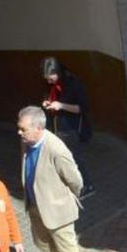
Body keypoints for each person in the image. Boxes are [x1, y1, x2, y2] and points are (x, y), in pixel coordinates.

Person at [17, 106, 85, 252]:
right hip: (35, 205)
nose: (19, 133)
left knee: (66, 247)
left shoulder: (56, 148)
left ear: (38, 127)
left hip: (57, 209)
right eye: (19, 128)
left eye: (23, 129)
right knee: (41, 243)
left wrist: (64, 198)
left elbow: (75, 180)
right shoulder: (26, 143)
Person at [39, 56, 95, 197]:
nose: (49, 81)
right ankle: (70, 183)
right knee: (62, 156)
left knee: (74, 157)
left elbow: (81, 108)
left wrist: (61, 105)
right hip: (59, 126)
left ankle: (87, 185)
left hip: (72, 127)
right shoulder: (53, 85)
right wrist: (48, 103)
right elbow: (50, 96)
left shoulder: (73, 84)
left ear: (58, 72)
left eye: (51, 78)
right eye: (46, 79)